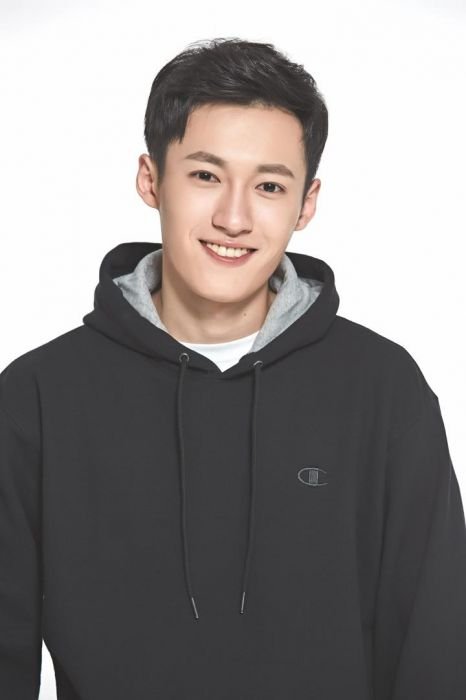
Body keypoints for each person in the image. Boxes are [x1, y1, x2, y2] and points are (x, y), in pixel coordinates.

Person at [1, 37, 465, 700]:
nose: (234, 217)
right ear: (151, 180)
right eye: (205, 176)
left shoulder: (386, 392)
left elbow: (436, 648)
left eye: (269, 186)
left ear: (306, 203)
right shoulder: (36, 397)